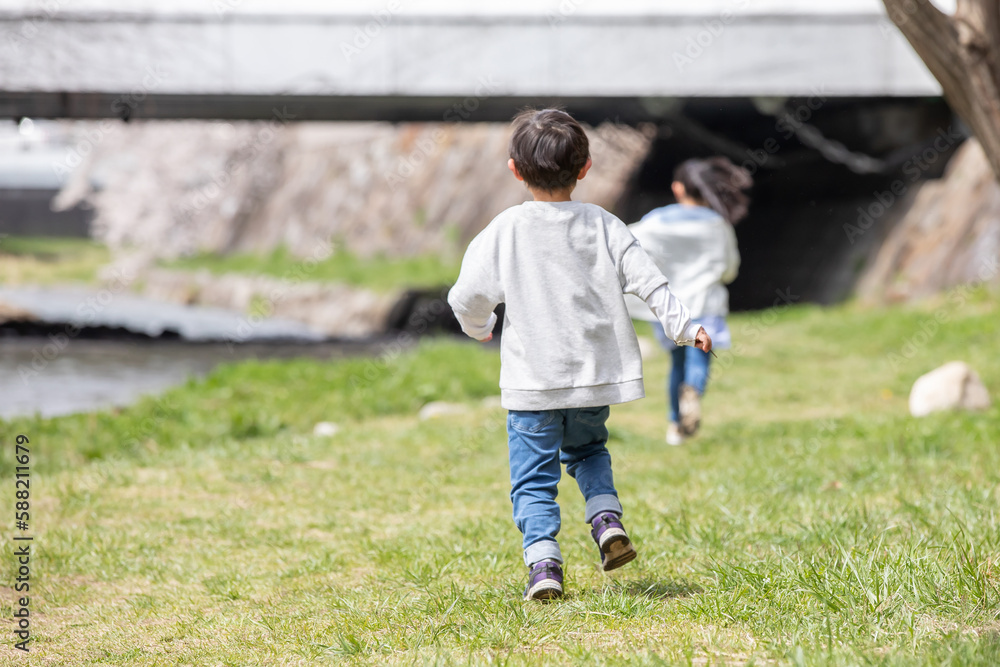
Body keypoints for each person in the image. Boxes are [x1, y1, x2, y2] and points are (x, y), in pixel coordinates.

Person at [448, 109, 712, 601]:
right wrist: (685, 327)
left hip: (533, 385)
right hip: (593, 380)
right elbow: (650, 282)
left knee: (533, 480)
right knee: (589, 451)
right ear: (586, 167)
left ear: (514, 170)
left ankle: (544, 565)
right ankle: (606, 519)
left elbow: (467, 297)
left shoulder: (505, 230)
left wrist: (479, 327)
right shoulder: (605, 225)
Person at [626, 157, 749, 446]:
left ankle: (674, 427)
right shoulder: (718, 224)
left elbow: (630, 251)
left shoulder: (656, 221)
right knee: (699, 358)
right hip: (705, 305)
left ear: (678, 188)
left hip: (668, 308)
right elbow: (730, 269)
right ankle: (693, 391)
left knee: (676, 363)